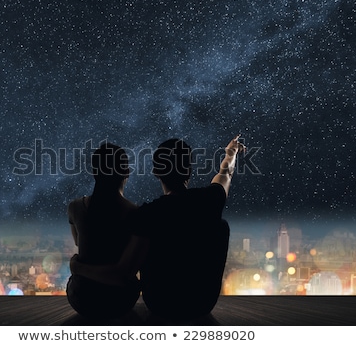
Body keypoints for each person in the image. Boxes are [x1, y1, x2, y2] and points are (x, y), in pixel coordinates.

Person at [71, 135, 245, 321]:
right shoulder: (211, 199)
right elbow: (226, 173)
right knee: (220, 225)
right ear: (188, 170)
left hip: (162, 304)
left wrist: (78, 267)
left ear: (156, 172)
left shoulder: (147, 214)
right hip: (204, 303)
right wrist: (231, 153)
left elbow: (123, 273)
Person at [66, 142, 140, 320]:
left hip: (81, 298)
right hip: (120, 300)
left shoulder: (75, 207)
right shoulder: (134, 212)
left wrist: (78, 267)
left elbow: (78, 241)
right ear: (126, 172)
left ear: (94, 172)